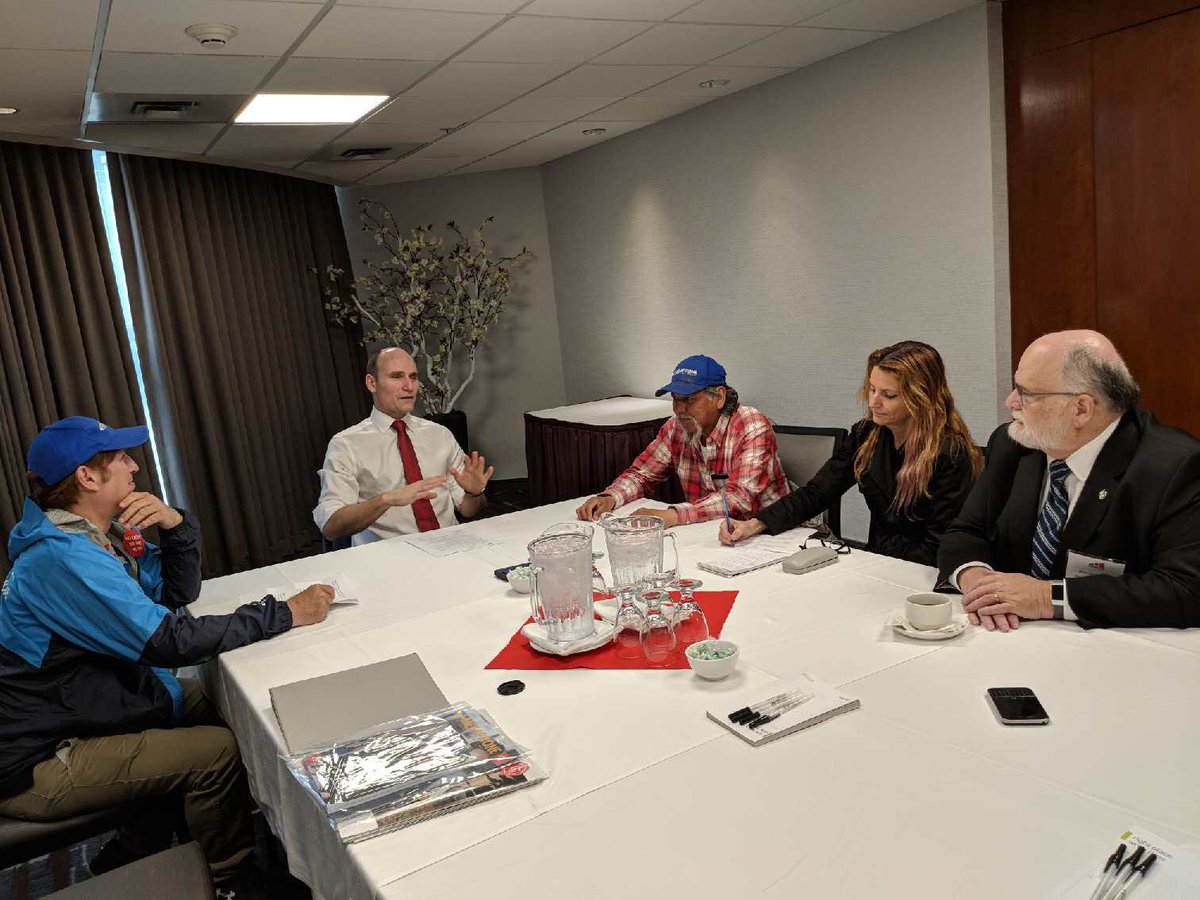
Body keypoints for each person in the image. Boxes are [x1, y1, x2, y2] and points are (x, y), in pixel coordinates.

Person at [0, 416, 334, 893]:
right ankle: (230, 879)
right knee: (216, 752)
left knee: (231, 706)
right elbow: (168, 641)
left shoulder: (91, 535)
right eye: (120, 458)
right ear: (87, 477)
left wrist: (175, 526)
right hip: (39, 757)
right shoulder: (62, 559)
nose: (134, 466)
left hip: (89, 704)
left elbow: (176, 591)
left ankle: (139, 843)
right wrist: (283, 613)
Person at [938, 330, 1200, 631]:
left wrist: (1045, 597)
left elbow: (1186, 589)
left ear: (1081, 409)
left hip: (1113, 646)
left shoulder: (1174, 466)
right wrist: (979, 582)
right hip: (1008, 634)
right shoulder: (1013, 444)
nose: (1010, 402)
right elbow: (965, 532)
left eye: (1026, 393)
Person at [720, 341, 982, 566]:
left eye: (889, 395)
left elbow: (941, 543)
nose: (873, 402)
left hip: (922, 572)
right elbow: (818, 492)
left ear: (920, 398)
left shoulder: (950, 454)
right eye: (872, 389)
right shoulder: (866, 434)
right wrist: (756, 524)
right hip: (876, 561)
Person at [576, 355, 788, 527]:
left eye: (689, 399)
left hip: (765, 532)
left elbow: (739, 499)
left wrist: (674, 515)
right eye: (675, 399)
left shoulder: (752, 426)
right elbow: (642, 474)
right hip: (708, 532)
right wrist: (611, 497)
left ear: (719, 397)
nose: (679, 409)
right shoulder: (675, 427)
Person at [314, 347, 494, 545]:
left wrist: (474, 493)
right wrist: (385, 500)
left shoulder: (439, 435)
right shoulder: (346, 444)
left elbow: (468, 509)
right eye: (397, 376)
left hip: (449, 547)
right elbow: (331, 527)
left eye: (413, 377)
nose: (409, 386)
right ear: (371, 383)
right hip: (390, 556)